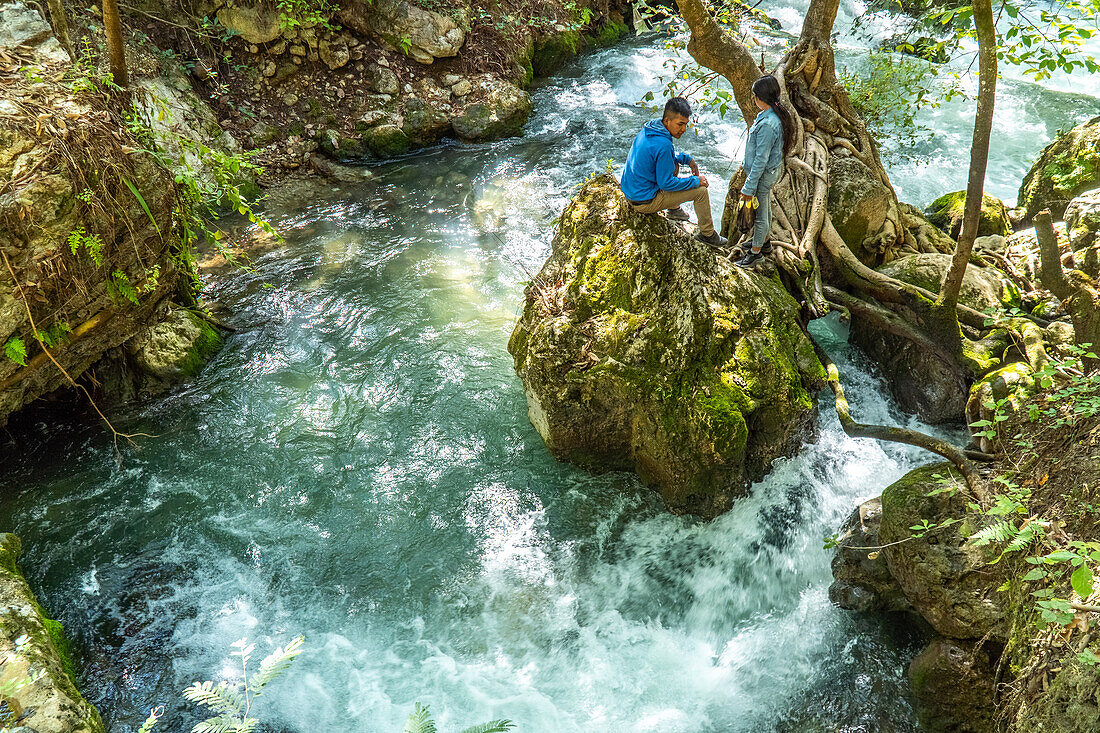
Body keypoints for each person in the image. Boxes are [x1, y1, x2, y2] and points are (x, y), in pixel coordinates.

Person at [620, 97, 728, 247]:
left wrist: (685, 158)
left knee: (674, 164)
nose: (683, 129)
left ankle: (674, 209)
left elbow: (658, 155)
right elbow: (665, 184)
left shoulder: (650, 129)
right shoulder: (664, 145)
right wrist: (695, 181)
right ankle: (708, 235)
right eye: (680, 124)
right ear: (667, 121)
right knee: (701, 192)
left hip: (632, 192)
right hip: (644, 202)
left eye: (685, 124)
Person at [736, 75, 795, 269]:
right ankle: (765, 241)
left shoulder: (769, 124)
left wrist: (748, 187)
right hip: (768, 173)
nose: (754, 99)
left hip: (763, 176)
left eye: (755, 96)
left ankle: (755, 254)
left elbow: (761, 160)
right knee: (766, 209)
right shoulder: (768, 115)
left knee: (761, 214)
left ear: (761, 98)